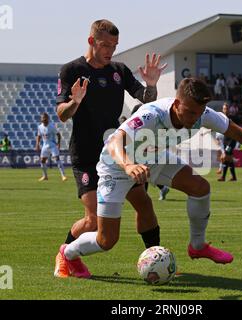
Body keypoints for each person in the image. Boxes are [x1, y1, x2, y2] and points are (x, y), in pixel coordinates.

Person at [57, 78, 242, 279]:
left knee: (200, 187)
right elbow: (115, 140)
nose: (195, 118)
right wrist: (128, 165)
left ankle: (198, 246)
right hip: (116, 167)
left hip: (155, 157)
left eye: (200, 112)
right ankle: (68, 254)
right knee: (107, 240)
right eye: (190, 112)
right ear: (176, 103)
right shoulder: (152, 114)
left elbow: (239, 133)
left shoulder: (202, 114)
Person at [54, 19, 167, 278]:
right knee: (92, 221)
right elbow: (61, 114)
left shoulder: (119, 70)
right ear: (92, 41)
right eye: (105, 45)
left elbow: (146, 99)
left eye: (114, 46)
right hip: (86, 155)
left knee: (145, 204)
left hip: (117, 153)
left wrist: (151, 86)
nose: (110, 51)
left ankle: (156, 259)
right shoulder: (70, 70)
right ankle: (64, 256)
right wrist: (75, 102)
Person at [131, 103, 170, 200]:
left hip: (147, 152)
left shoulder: (153, 117)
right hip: (142, 150)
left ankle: (150, 193)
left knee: (145, 173)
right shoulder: (140, 113)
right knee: (146, 174)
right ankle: (162, 188)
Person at [35, 113, 67, 182]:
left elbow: (58, 134)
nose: (44, 119)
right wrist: (37, 144)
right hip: (45, 146)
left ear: (48, 119)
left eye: (45, 118)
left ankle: (63, 175)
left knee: (57, 158)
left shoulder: (52, 126)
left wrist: (58, 144)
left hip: (52, 145)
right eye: (43, 118)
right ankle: (45, 176)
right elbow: (39, 136)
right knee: (42, 160)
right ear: (41, 119)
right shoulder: (40, 127)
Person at [217, 104, 238, 182]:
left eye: (226, 108)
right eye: (224, 108)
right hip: (225, 140)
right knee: (230, 159)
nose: (225, 110)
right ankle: (234, 177)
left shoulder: (232, 118)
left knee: (225, 157)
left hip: (231, 141)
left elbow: (240, 126)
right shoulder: (221, 118)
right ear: (222, 109)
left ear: (229, 109)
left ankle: (223, 177)